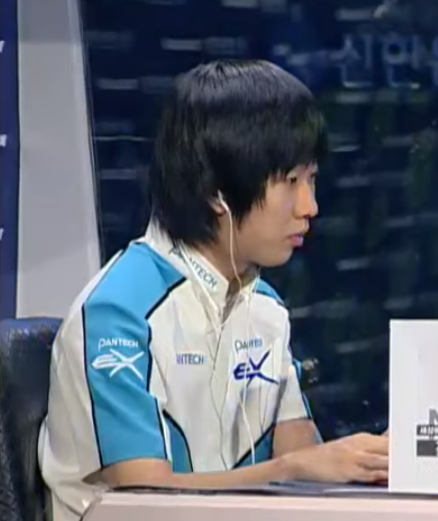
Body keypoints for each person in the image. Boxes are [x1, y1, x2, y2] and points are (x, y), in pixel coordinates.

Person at [38, 59, 389, 521]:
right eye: (291, 182)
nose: (310, 206)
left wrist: (374, 463)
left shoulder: (265, 309)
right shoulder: (119, 313)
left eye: (312, 179)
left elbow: (305, 459)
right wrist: (293, 469)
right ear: (216, 192)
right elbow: (143, 500)